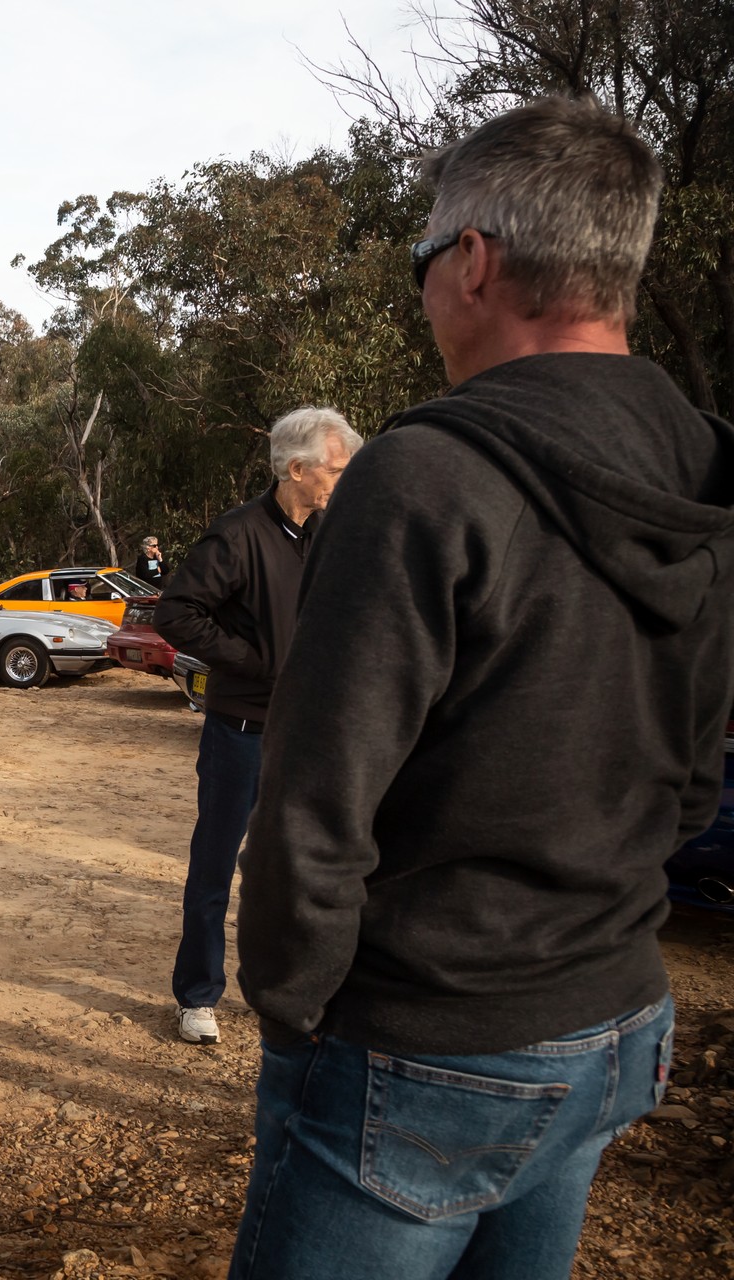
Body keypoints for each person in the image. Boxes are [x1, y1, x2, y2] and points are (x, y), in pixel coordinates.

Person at [230, 98, 734, 1279]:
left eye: (422, 261)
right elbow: (693, 774)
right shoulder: (705, 465)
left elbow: (314, 803)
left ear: (474, 261)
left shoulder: (423, 473)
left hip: (425, 1040)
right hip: (617, 1019)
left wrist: (294, 1015)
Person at [152, 406, 361, 1047]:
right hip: (242, 732)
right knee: (215, 866)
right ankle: (198, 996)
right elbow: (177, 613)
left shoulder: (335, 533)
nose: (342, 479)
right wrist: (256, 661)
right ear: (295, 469)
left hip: (313, 734)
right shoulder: (236, 535)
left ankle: (294, 993)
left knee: (303, 870)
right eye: (335, 468)